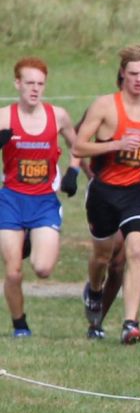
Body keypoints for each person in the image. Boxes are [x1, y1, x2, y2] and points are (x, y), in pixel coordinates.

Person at [72, 45, 140, 344]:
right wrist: (115, 145)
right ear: (122, 74)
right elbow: (79, 146)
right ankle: (93, 289)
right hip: (104, 191)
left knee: (137, 251)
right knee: (103, 256)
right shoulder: (105, 106)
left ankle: (131, 323)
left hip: (137, 190)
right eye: (134, 74)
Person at [1, 58, 76, 336]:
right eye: (29, 83)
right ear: (17, 84)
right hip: (11, 200)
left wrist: (73, 171)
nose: (35, 89)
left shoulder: (58, 116)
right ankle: (20, 325)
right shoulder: (5, 117)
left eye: (40, 84)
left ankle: (31, 238)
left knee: (43, 269)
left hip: (44, 201)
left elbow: (76, 145)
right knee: (12, 271)